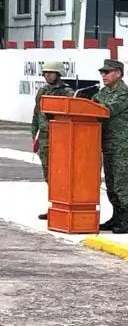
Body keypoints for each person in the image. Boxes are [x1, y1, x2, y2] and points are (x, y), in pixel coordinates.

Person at [93, 59, 128, 234]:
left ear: (118, 73)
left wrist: (92, 105)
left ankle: (127, 220)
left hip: (121, 145)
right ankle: (116, 217)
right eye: (102, 72)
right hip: (106, 144)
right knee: (110, 182)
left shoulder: (124, 93)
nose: (103, 75)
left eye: (107, 72)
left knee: (122, 181)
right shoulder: (103, 92)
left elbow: (107, 110)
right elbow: (93, 105)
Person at [32, 60, 75, 219]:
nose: (47, 75)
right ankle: (53, 206)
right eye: (45, 73)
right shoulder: (42, 91)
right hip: (44, 139)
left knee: (61, 174)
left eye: (50, 72)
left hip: (60, 140)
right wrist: (34, 136)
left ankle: (62, 206)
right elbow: (36, 115)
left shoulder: (67, 92)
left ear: (58, 74)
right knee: (48, 175)